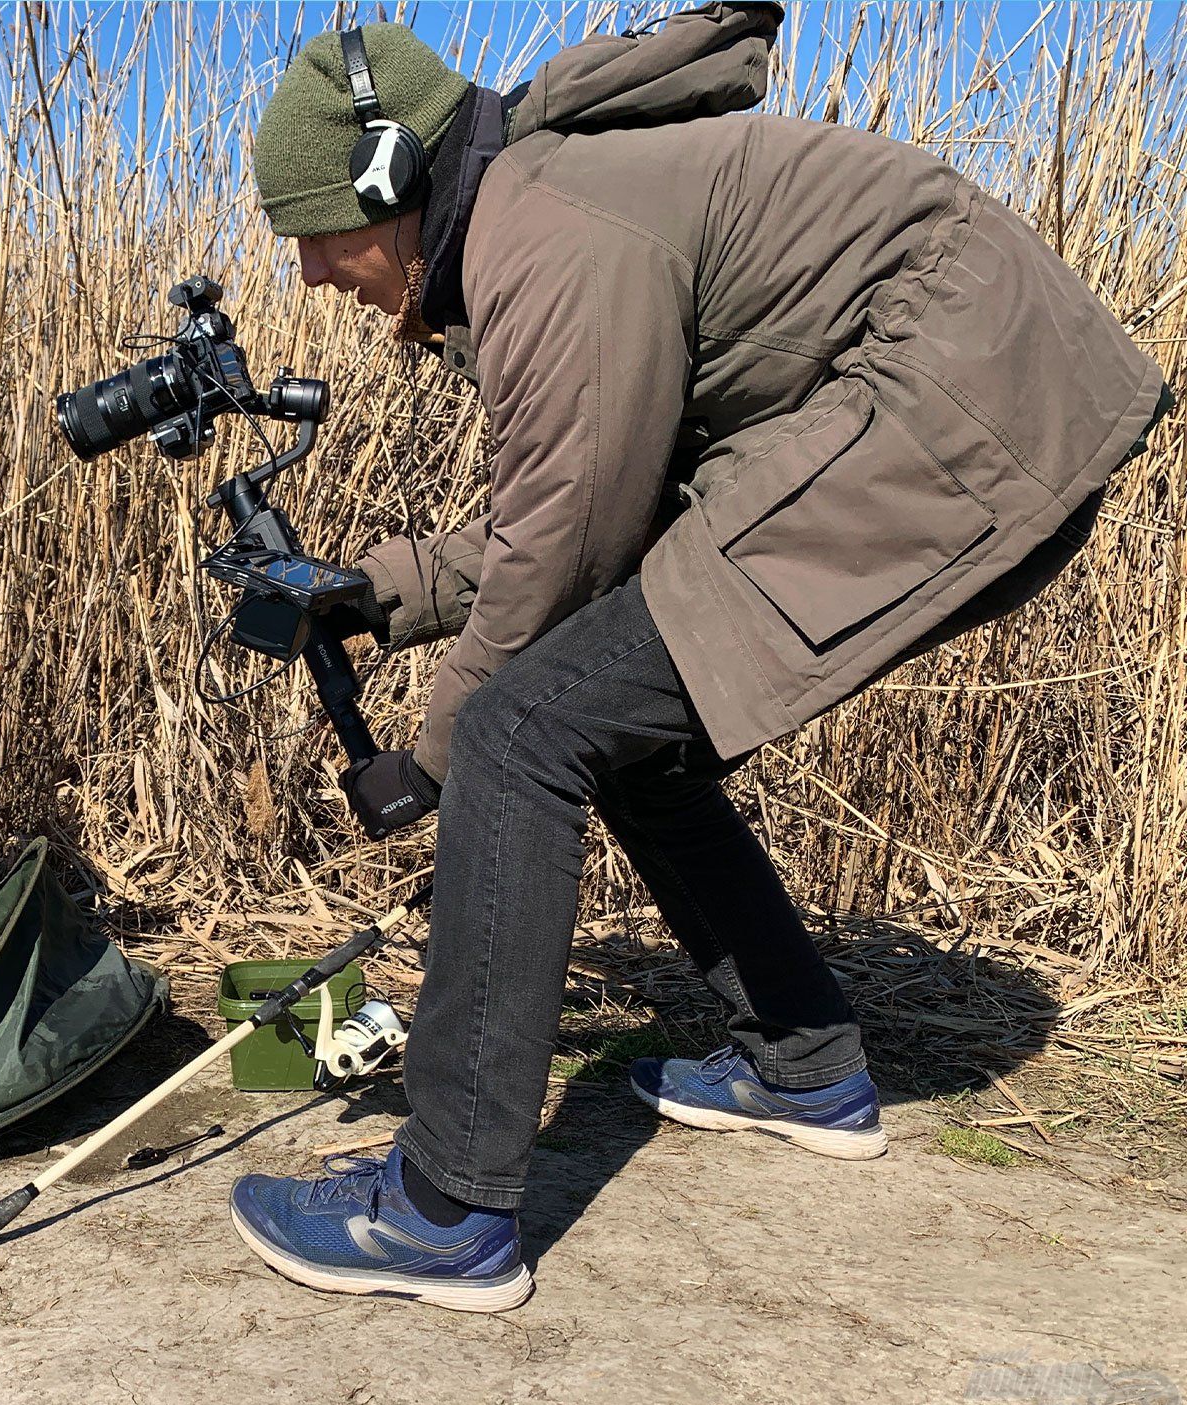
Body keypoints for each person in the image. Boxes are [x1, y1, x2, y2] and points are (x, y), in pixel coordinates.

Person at [229, 9, 1172, 1312]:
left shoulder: (547, 230)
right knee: (616, 725)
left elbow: (562, 543)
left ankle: (446, 1207)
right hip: (961, 407)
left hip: (956, 416)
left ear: (389, 184)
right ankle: (802, 1065)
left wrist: (431, 754)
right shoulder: (539, 205)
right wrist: (370, 593)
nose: (314, 277)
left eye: (315, 237)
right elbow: (562, 506)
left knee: (521, 729)